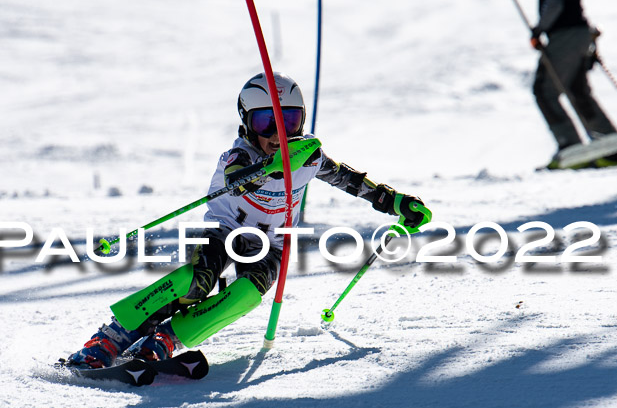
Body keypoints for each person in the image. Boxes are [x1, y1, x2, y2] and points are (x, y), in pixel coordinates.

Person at [65, 72, 429, 369]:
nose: (277, 134)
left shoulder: (310, 156)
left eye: (288, 121)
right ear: (247, 123)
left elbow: (351, 181)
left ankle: (167, 339)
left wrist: (395, 202)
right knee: (194, 281)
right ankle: (112, 337)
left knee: (244, 296)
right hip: (225, 232)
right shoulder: (239, 154)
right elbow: (237, 180)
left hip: (272, 244)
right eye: (265, 122)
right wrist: (262, 170)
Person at [531, 0, 617, 168]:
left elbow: (555, 1)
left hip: (564, 34)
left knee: (544, 91)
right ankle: (613, 150)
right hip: (579, 33)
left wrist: (539, 29)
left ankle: (571, 147)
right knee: (577, 91)